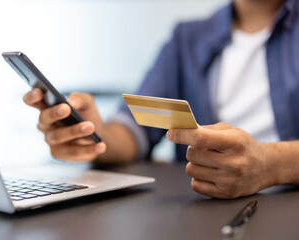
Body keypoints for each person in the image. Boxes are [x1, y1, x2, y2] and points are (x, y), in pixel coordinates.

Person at [23, 0, 299, 199]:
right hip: (201, 210)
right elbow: (134, 130)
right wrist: (94, 134)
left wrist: (270, 165)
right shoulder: (187, 39)